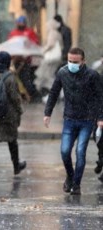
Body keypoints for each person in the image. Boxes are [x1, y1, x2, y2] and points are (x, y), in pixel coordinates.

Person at [43, 47, 103, 195]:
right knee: (64, 152)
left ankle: (76, 185)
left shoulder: (92, 75)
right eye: (69, 61)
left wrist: (100, 117)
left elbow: (100, 97)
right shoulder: (63, 73)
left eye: (75, 62)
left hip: (87, 120)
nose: (72, 64)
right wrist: (47, 113)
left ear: (83, 61)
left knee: (80, 151)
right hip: (69, 119)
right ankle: (70, 176)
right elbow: (54, 92)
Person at [0, 51, 26, 179]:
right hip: (6, 115)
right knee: (12, 140)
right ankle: (16, 166)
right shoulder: (10, 77)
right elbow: (15, 98)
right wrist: (20, 110)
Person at [34, 18, 63, 102]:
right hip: (56, 58)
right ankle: (56, 92)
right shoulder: (58, 33)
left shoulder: (52, 33)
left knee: (47, 75)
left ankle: (57, 91)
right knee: (49, 75)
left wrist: (43, 50)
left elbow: (50, 44)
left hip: (51, 58)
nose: (46, 27)